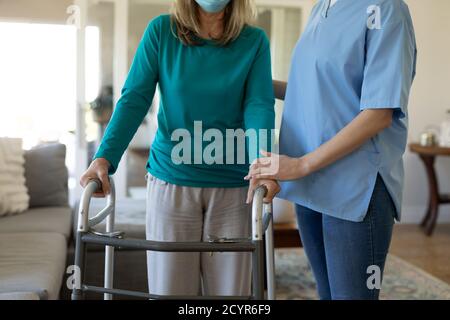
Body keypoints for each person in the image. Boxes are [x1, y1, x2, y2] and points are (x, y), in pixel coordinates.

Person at [80, 0, 279, 297]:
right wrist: (104, 157)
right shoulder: (161, 31)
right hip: (172, 180)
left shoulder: (254, 41)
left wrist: (264, 167)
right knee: (169, 292)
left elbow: (259, 105)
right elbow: (134, 99)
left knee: (231, 297)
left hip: (236, 185)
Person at [247, 0, 417, 300]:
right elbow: (319, 88)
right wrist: (255, 82)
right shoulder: (322, 7)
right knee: (327, 294)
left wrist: (300, 166)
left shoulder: (385, 9)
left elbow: (379, 112)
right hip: (312, 185)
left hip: (355, 188)